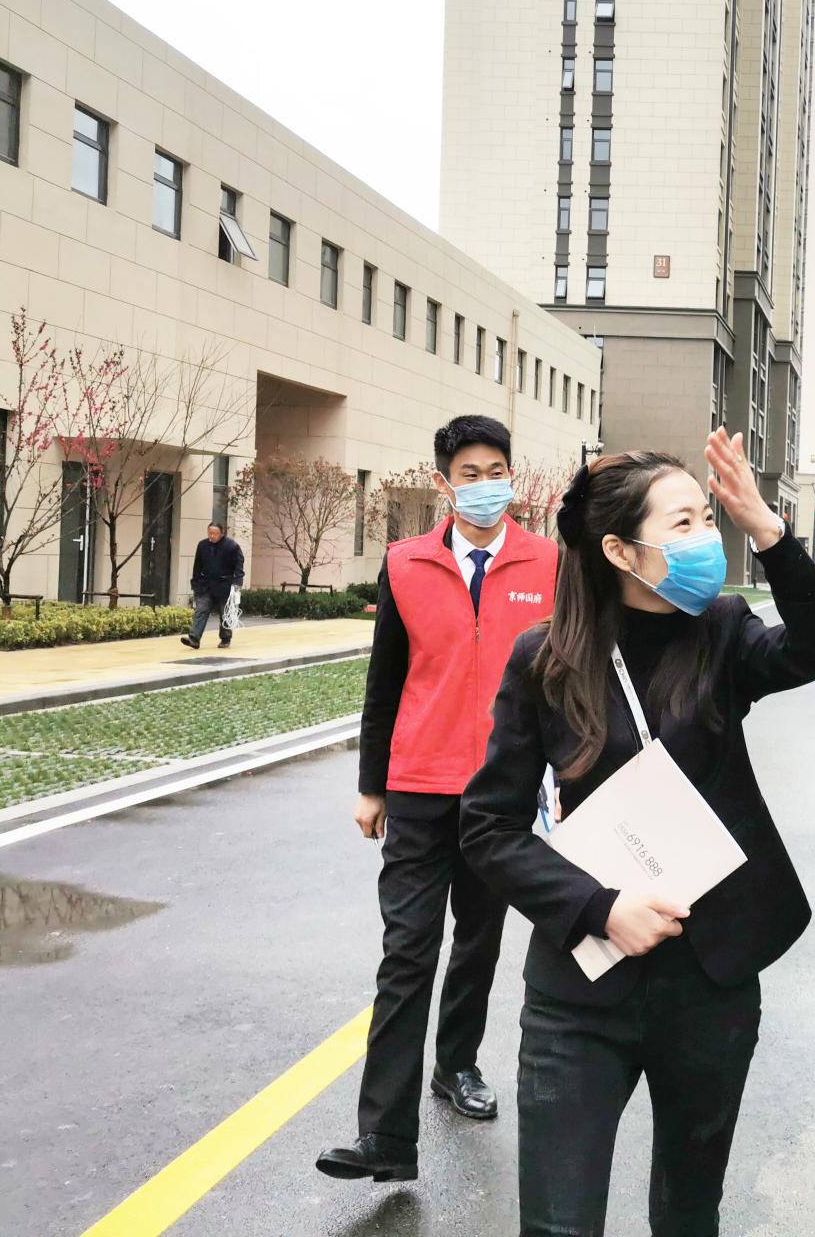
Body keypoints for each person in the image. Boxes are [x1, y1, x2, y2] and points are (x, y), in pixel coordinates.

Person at [459, 429, 815, 1236]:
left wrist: (766, 529)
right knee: (559, 1222)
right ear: (619, 550)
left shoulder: (723, 633)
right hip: (582, 990)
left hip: (709, 984)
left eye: (708, 518)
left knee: (688, 1211)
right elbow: (489, 827)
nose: (706, 537)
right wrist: (599, 908)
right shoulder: (545, 660)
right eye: (684, 524)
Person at [317, 415, 558, 1184]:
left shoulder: (549, 563)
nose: (486, 485)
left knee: (478, 943)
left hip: (502, 795)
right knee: (407, 953)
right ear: (442, 483)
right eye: (470, 473)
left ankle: (456, 1065)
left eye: (497, 471)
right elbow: (385, 681)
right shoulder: (406, 563)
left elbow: (570, 678)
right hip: (419, 786)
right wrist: (371, 786)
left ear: (511, 476)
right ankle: (385, 1136)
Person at [182, 522, 244, 649]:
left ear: (221, 533)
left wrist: (237, 583)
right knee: (201, 610)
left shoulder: (232, 546)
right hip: (205, 585)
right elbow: (197, 566)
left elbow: (239, 566)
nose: (212, 536)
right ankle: (194, 638)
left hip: (225, 585)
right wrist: (195, 583)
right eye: (210, 533)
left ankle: (225, 638)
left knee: (225, 613)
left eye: (215, 533)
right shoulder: (202, 545)